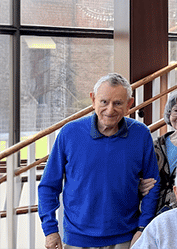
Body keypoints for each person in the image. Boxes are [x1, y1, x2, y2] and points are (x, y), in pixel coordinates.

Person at [38, 72, 160, 249]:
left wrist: (143, 228)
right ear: (93, 100)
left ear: (129, 104)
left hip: (126, 238)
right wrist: (50, 230)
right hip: (77, 239)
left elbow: (153, 185)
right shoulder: (69, 133)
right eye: (104, 102)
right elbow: (48, 186)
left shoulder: (141, 134)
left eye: (118, 103)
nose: (110, 110)